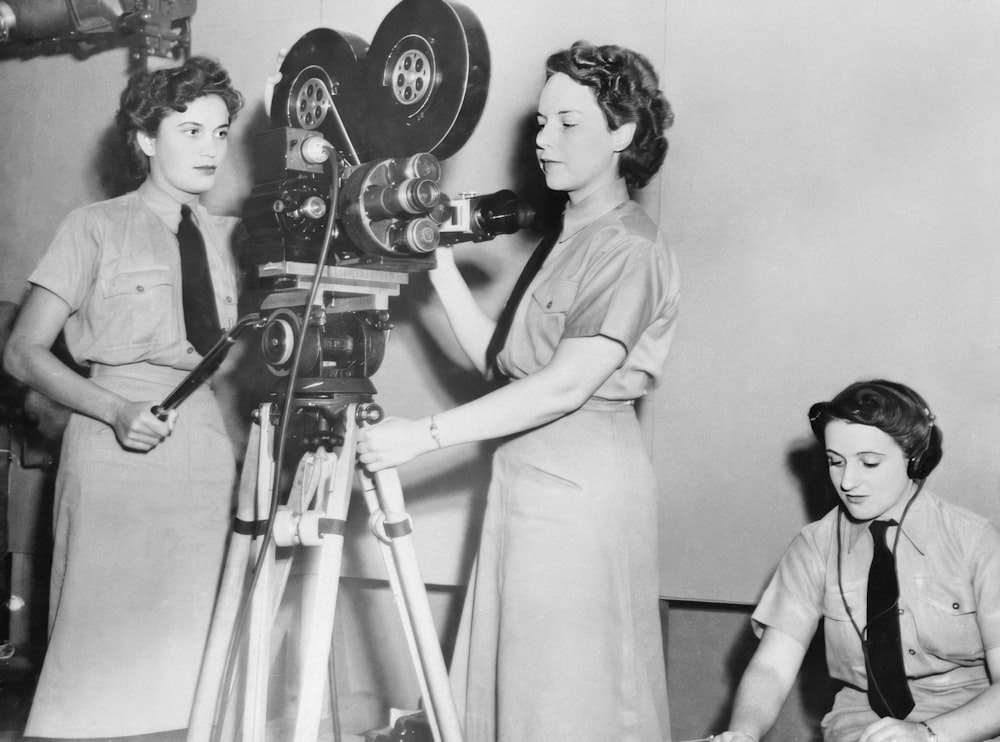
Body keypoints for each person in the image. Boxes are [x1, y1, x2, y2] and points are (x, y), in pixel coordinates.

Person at [357, 41, 679, 742]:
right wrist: (439, 268)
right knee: (517, 698)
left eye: (568, 122)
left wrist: (422, 436)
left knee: (569, 701)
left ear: (623, 133)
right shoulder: (567, 235)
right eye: (540, 122)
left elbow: (563, 387)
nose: (543, 139)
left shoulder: (630, 249)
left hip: (580, 495)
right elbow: (505, 364)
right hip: (526, 487)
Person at [3, 56, 244, 739]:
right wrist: (113, 410)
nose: (210, 148)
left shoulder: (232, 238)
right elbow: (22, 350)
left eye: (220, 132)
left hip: (200, 450)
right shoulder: (94, 226)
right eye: (190, 130)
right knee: (98, 654)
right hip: (113, 443)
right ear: (144, 139)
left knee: (191, 657)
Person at [713, 380, 1000, 742]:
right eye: (836, 462)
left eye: (869, 463)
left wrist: (926, 734)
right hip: (863, 725)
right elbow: (772, 665)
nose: (847, 481)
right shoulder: (814, 547)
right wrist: (743, 733)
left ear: (915, 459)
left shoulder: (977, 543)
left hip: (972, 723)